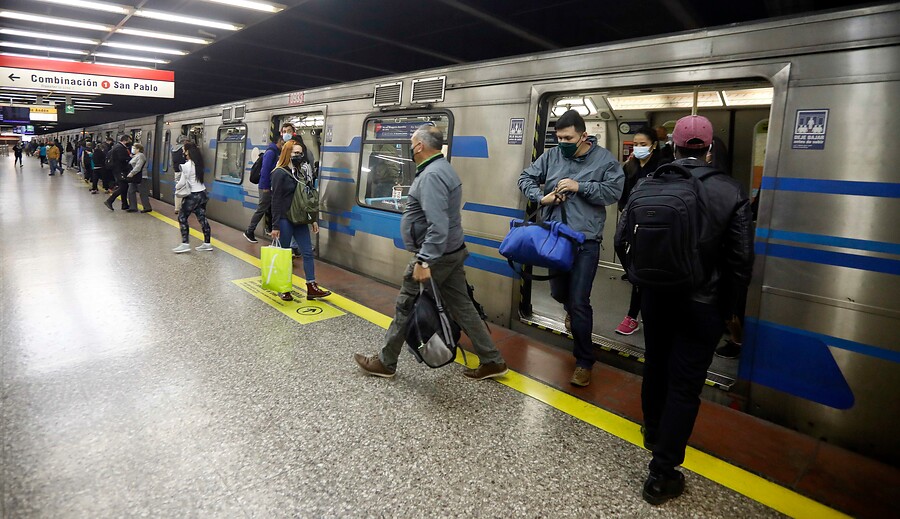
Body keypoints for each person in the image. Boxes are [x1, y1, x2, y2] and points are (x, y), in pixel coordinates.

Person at [638, 115, 753, 505]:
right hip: (703, 302)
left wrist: (646, 282)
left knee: (655, 365)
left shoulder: (650, 182)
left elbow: (624, 241)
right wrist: (731, 309)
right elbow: (740, 259)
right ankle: (661, 473)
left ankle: (653, 432)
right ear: (709, 147)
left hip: (656, 296)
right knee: (685, 383)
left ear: (672, 147)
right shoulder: (731, 190)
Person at [354, 125, 508, 380]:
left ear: (419, 146)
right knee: (462, 306)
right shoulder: (442, 169)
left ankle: (385, 362)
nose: (411, 148)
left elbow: (438, 225)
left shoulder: (431, 176)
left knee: (406, 305)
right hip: (451, 252)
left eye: (413, 143)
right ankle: (493, 360)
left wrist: (424, 259)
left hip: (436, 256)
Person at [517, 109, 624, 387]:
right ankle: (570, 313)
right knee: (558, 292)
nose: (562, 141)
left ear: (583, 136)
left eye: (568, 137)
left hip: (585, 241)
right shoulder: (552, 155)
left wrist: (581, 186)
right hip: (555, 238)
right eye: (559, 137)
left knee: (580, 301)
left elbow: (614, 192)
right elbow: (525, 178)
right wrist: (542, 197)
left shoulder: (604, 161)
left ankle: (584, 361)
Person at [614, 127, 672, 336]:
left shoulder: (663, 166)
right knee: (625, 252)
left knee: (644, 269)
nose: (638, 148)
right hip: (631, 221)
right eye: (635, 144)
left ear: (654, 145)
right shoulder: (629, 167)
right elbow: (622, 195)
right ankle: (637, 308)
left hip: (653, 223)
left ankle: (633, 315)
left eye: (643, 144)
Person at [268, 137, 330, 301]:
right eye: (296, 153)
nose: (299, 156)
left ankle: (311, 286)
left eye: (301, 153)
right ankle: (284, 288)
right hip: (284, 219)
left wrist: (313, 219)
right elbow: (275, 200)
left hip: (300, 219)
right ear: (287, 153)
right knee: (285, 255)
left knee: (307, 253)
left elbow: (306, 198)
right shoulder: (279, 173)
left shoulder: (301, 172)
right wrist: (275, 226)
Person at [244, 123, 295, 243]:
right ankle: (249, 231)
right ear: (279, 140)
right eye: (282, 140)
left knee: (270, 207)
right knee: (262, 208)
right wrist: (266, 187)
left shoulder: (277, 151)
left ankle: (271, 228)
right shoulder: (271, 152)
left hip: (270, 186)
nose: (284, 142)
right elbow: (265, 171)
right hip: (265, 187)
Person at [172, 142, 212, 253]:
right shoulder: (198, 163)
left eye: (184, 150)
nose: (183, 152)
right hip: (202, 193)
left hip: (192, 195)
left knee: (182, 217)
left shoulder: (186, 166)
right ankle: (207, 243)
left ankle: (185, 244)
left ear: (188, 151)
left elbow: (181, 183)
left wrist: (176, 186)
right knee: (202, 218)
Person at [104, 135, 133, 211]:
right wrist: (130, 157)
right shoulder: (120, 148)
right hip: (120, 170)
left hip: (118, 170)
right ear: (125, 140)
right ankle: (110, 200)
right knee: (123, 187)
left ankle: (124, 204)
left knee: (124, 186)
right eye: (129, 140)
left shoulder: (117, 146)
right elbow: (121, 159)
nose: (130, 142)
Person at [126, 143, 152, 213]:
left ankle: (147, 207)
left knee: (142, 192)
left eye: (134, 148)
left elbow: (138, 166)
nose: (133, 149)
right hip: (135, 177)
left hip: (141, 176)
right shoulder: (136, 156)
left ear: (138, 149)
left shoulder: (141, 156)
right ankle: (133, 207)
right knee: (131, 191)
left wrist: (132, 173)